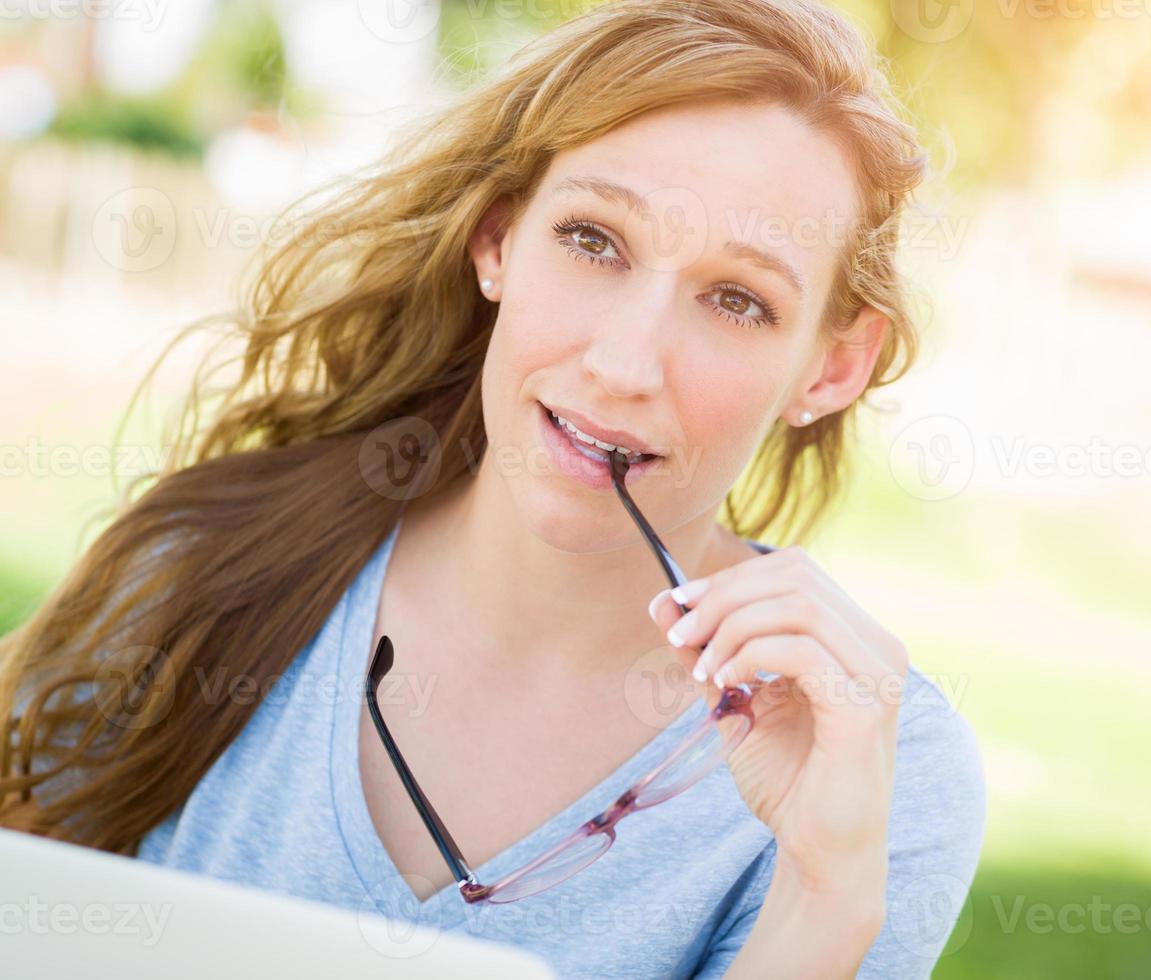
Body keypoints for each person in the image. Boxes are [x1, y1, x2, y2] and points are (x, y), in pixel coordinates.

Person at [0, 0, 985, 975]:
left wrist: (824, 898)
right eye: (594, 240)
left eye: (738, 300)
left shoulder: (880, 766)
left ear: (834, 367)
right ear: (498, 238)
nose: (625, 361)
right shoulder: (203, 567)